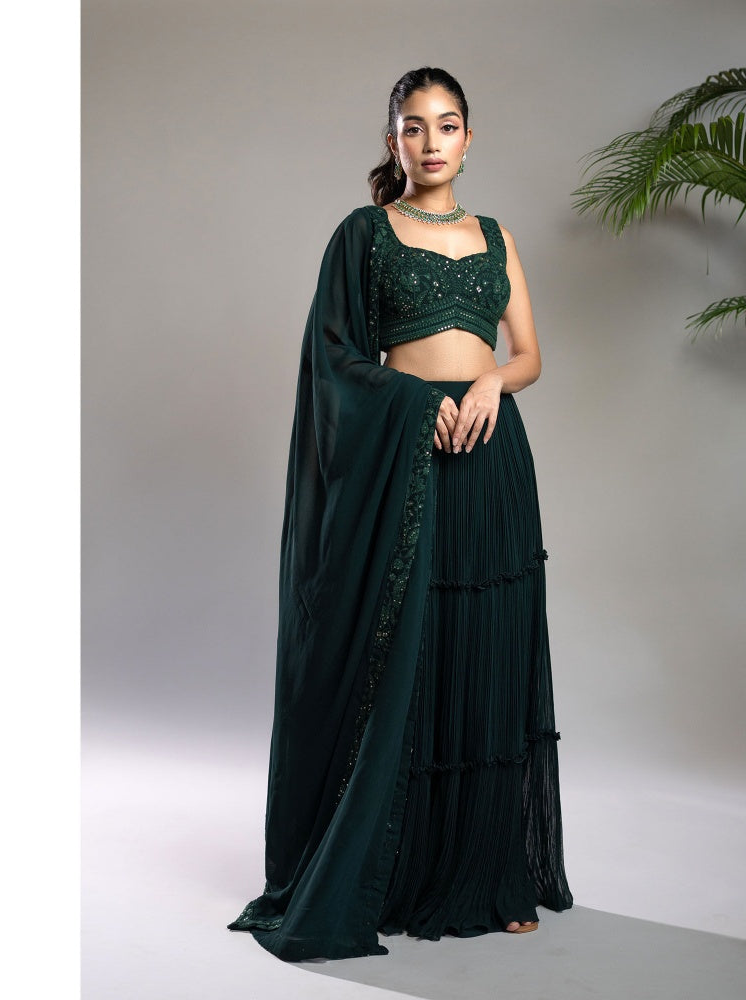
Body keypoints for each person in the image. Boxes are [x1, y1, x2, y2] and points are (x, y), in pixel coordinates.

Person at [227, 67, 573, 962]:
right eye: (413, 127)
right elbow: (333, 359)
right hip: (409, 461)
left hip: (491, 459)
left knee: (487, 654)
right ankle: (396, 870)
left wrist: (490, 382)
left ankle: (491, 871)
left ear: (469, 137)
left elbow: (529, 354)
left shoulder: (496, 237)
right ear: (394, 143)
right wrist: (423, 403)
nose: (430, 141)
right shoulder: (364, 234)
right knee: (410, 658)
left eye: (446, 125)